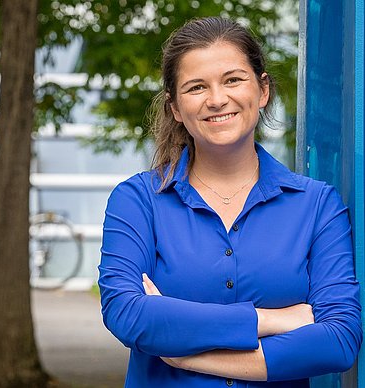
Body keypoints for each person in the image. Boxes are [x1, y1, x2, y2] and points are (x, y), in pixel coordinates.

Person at [98, 16, 362, 387]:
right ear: (175, 108)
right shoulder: (138, 201)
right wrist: (269, 320)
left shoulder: (317, 205)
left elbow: (339, 341)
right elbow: (127, 314)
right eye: (196, 87)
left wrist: (187, 357)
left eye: (233, 80)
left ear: (263, 90)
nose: (217, 99)